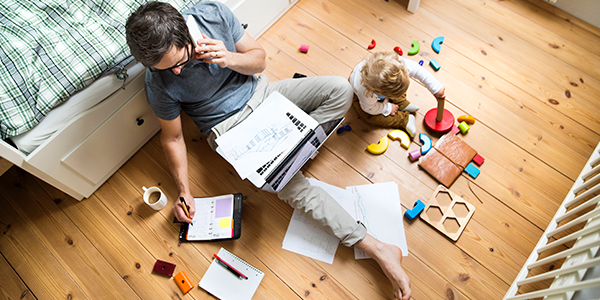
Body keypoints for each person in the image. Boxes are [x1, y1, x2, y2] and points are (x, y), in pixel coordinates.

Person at [125, 2, 411, 298]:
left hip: (264, 94)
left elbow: (259, 60)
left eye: (180, 61)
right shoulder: (158, 82)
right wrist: (184, 190)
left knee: (340, 89)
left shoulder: (211, 13)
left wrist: (229, 58)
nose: (178, 70)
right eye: (168, 69)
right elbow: (172, 138)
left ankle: (291, 154)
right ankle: (376, 246)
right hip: (229, 129)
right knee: (287, 184)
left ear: (186, 32)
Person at [349, 51, 446, 138]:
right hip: (364, 99)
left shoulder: (398, 64)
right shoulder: (366, 93)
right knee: (368, 116)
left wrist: (436, 88)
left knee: (399, 86)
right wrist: (387, 108)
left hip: (381, 88)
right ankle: (403, 120)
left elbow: (417, 70)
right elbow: (370, 108)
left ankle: (401, 102)